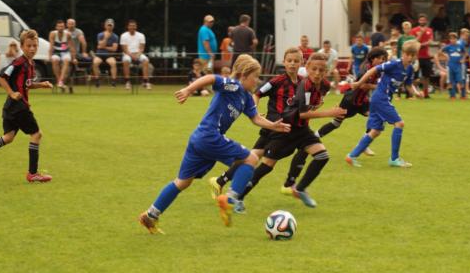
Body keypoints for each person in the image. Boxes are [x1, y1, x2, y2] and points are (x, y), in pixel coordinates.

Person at [137, 54, 291, 234]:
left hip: (199, 139)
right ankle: (230, 200)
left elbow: (256, 118)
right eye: (255, 76)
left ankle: (150, 215)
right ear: (243, 75)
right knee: (251, 159)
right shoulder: (233, 85)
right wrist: (188, 90)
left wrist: (273, 125)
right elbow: (211, 78)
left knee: (183, 182)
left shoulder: (247, 98)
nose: (257, 81)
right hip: (210, 136)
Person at [236, 52, 345, 209]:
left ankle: (300, 188)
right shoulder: (305, 85)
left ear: (326, 71)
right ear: (307, 68)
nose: (317, 73)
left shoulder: (325, 85)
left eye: (321, 70)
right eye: (314, 69)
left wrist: (322, 107)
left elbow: (313, 105)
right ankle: (238, 197)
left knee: (322, 156)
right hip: (286, 129)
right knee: (267, 166)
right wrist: (330, 112)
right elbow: (303, 113)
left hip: (302, 129)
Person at [279, 47, 389, 187]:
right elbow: (360, 85)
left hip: (362, 102)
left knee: (377, 120)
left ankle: (364, 144)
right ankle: (316, 136)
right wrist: (377, 87)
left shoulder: (377, 70)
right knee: (336, 123)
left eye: (384, 59)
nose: (382, 61)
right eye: (379, 58)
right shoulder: (365, 70)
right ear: (372, 58)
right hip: (351, 101)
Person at [211, 47, 304, 207]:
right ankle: (237, 195)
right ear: (284, 62)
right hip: (275, 127)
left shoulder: (303, 83)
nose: (292, 64)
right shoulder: (276, 81)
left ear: (301, 62)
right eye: (289, 61)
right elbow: (257, 93)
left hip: (280, 128)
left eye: (296, 61)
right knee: (267, 163)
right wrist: (255, 110)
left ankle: (221, 181)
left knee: (252, 156)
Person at [0, 30, 54, 181]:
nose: (32, 48)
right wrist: (11, 93)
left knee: (8, 137)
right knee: (36, 134)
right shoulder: (19, 62)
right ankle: (33, 174)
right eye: (29, 45)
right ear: (22, 46)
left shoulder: (30, 64)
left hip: (10, 108)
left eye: (35, 45)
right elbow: (1, 76)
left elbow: (26, 84)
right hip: (18, 107)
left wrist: (41, 84)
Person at [345, 40, 421, 168]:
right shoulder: (394, 64)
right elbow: (373, 70)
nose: (410, 57)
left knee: (375, 131)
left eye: (412, 55)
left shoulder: (409, 69)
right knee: (399, 124)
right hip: (381, 98)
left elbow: (408, 85)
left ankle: (351, 156)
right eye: (407, 54)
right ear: (403, 53)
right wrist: (358, 83)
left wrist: (416, 93)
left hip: (381, 99)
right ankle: (394, 159)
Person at [120, 19, 151, 90]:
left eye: (133, 26)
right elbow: (124, 49)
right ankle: (127, 82)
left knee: (146, 60)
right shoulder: (123, 35)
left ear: (136, 27)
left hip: (138, 54)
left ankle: (145, 82)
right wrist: (132, 56)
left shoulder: (141, 35)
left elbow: (142, 48)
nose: (132, 27)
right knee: (126, 60)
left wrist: (137, 55)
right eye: (130, 26)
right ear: (128, 27)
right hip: (127, 54)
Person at [410, 14, 434, 99]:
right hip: (416, 57)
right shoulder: (414, 30)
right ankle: (412, 93)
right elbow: (414, 41)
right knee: (415, 77)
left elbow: (430, 41)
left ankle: (426, 93)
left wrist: (421, 44)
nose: (422, 21)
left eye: (424, 20)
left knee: (426, 76)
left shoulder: (429, 30)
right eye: (421, 20)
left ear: (426, 21)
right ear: (418, 21)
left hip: (426, 56)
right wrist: (421, 34)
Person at [48, 20, 75, 90]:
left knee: (66, 60)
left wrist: (74, 58)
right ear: (56, 27)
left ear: (64, 27)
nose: (61, 28)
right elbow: (51, 46)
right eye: (59, 26)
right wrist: (49, 56)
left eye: (62, 26)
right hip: (56, 52)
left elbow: (71, 46)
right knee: (54, 60)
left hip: (65, 52)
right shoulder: (53, 34)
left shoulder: (68, 34)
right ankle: (60, 81)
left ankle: (60, 81)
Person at [93, 18, 119, 87]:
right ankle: (97, 80)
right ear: (105, 26)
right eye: (108, 25)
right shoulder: (100, 35)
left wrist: (103, 47)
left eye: (111, 25)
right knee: (95, 63)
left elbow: (114, 49)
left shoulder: (115, 36)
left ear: (113, 26)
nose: (109, 27)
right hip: (100, 54)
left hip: (109, 55)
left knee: (113, 63)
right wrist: (106, 38)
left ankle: (113, 81)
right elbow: (99, 46)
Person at [441, 32, 464, 100]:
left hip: (458, 66)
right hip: (450, 66)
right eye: (451, 39)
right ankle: (452, 95)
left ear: (456, 39)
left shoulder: (460, 46)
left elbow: (465, 53)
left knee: (460, 81)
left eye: (454, 39)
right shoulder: (448, 47)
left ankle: (462, 95)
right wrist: (446, 55)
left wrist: (462, 59)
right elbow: (440, 51)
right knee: (450, 81)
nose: (452, 40)